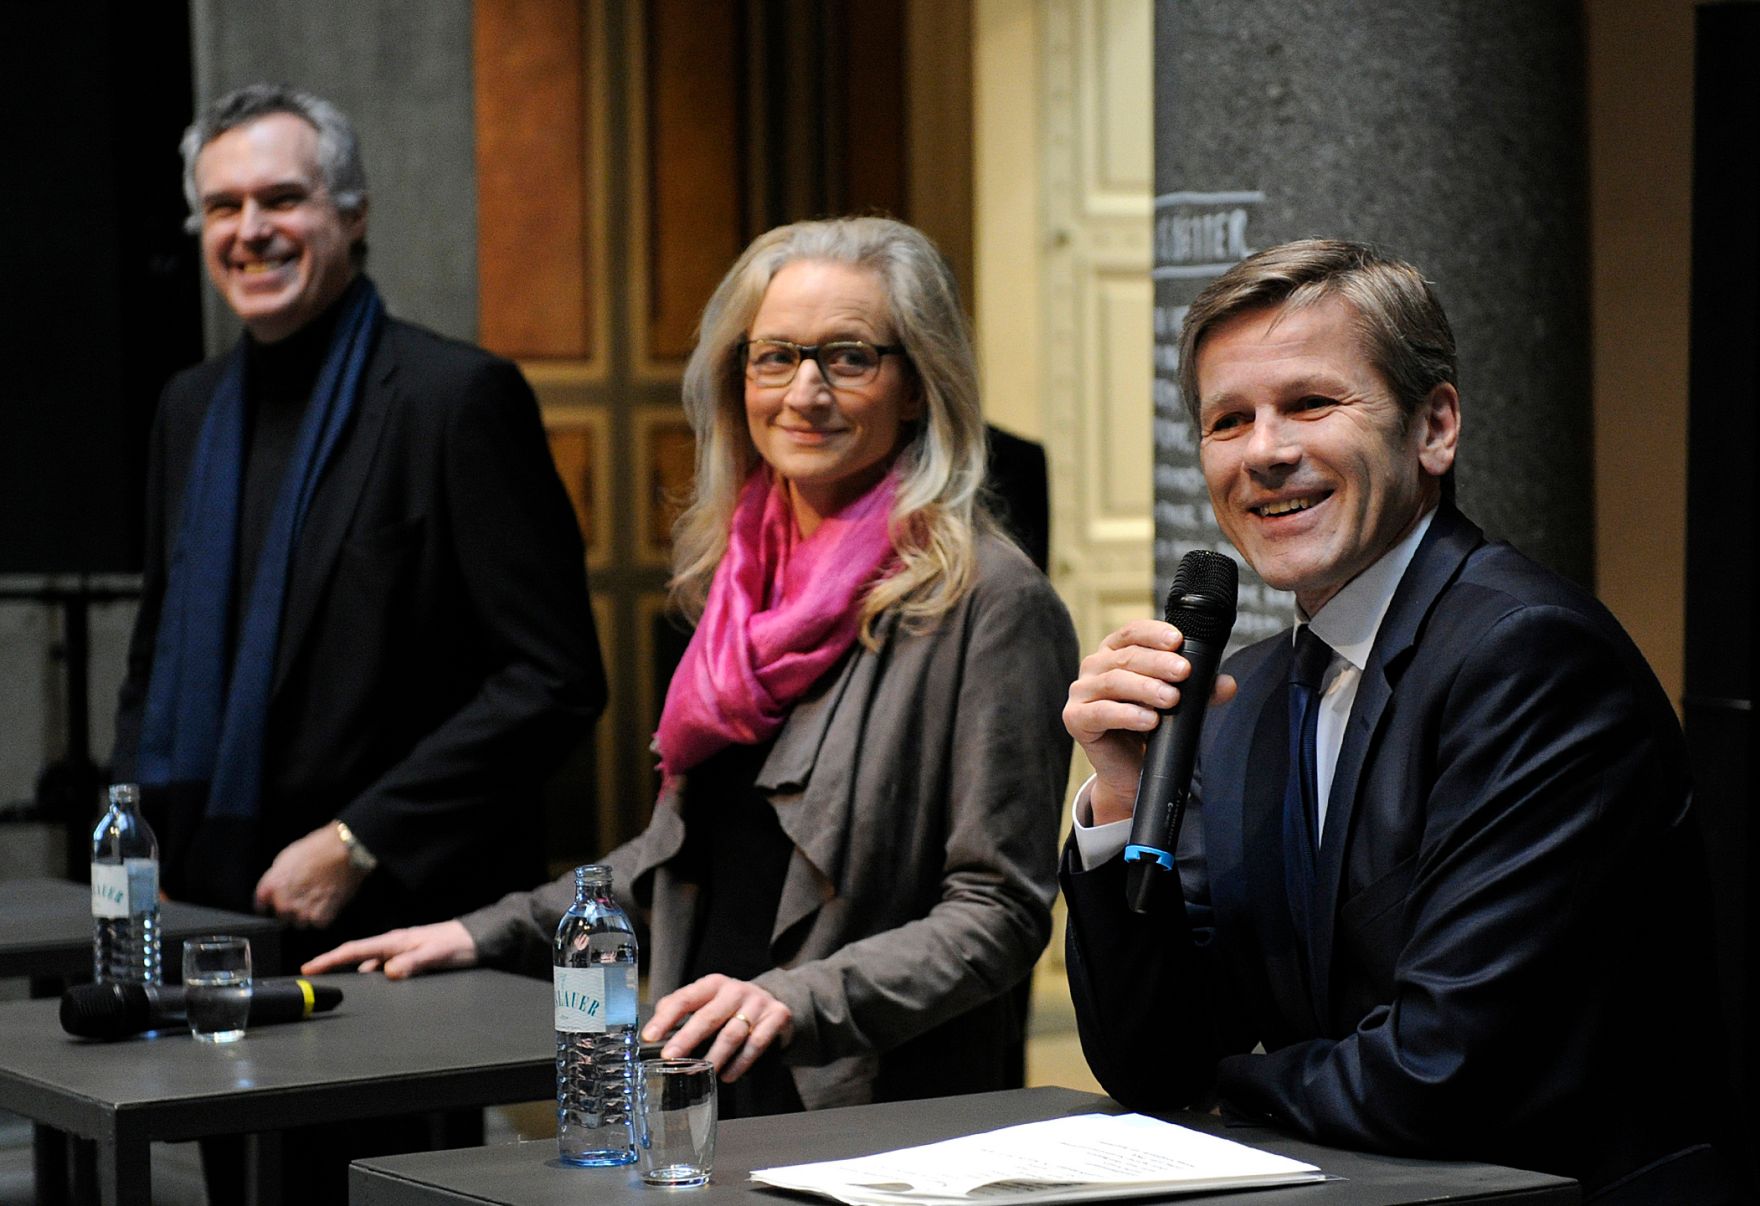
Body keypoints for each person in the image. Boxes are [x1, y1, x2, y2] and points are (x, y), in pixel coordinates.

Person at [308, 216, 1080, 1114]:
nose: (805, 391)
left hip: (859, 1106)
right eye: (775, 357)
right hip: (697, 1078)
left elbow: (998, 913)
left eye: (849, 357)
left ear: (917, 387)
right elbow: (681, 855)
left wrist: (796, 1000)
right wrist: (481, 934)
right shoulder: (739, 578)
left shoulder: (992, 602)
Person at [1060, 240, 1742, 1202]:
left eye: (1310, 403)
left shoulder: (1528, 655)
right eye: (1228, 420)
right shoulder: (1244, 696)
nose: (1264, 452)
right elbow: (1152, 1060)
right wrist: (1123, 797)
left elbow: (1442, 1072)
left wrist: (1225, 1092)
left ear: (1435, 426)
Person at [111, 83, 606, 966]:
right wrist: (145, 841)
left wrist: (361, 839)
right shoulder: (187, 409)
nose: (250, 230)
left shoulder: (456, 399)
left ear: (352, 213)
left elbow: (553, 679)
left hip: (404, 922)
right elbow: (153, 660)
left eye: (281, 199)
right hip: (202, 904)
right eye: (223, 207)